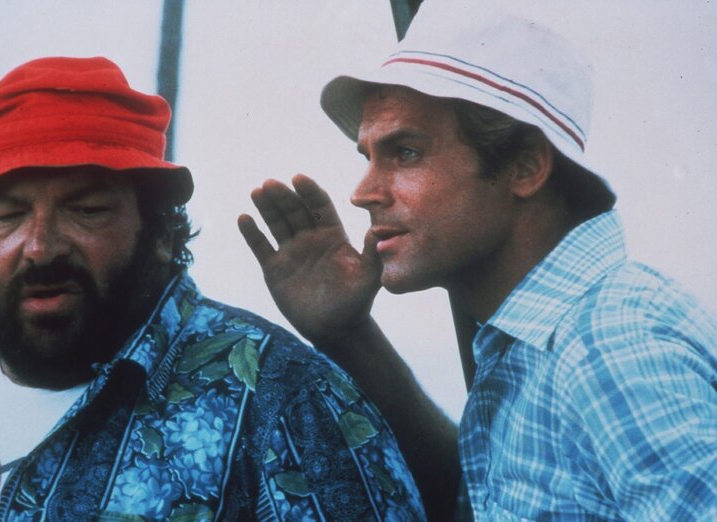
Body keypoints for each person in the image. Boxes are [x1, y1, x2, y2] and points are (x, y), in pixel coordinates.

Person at [238, 4, 717, 521]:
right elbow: (476, 506)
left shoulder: (609, 344)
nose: (363, 193)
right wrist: (348, 335)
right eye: (369, 157)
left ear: (525, 166)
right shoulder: (534, 345)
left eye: (406, 153)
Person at [0, 56, 426, 521]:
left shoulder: (283, 400)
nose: (40, 247)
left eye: (86, 210)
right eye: (7, 216)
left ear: (160, 231)